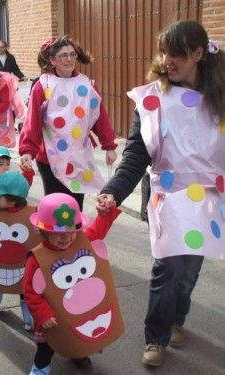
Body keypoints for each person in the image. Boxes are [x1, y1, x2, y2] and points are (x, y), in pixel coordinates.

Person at [97, 20, 225, 368]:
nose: (167, 60)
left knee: (188, 274)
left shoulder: (219, 98)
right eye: (164, 52)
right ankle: (156, 336)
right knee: (167, 270)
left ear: (199, 54)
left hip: (208, 202)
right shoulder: (153, 99)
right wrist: (114, 191)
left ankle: (176, 319)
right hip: (168, 199)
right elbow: (137, 153)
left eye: (177, 54)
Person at [24, 193, 121, 374]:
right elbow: (30, 291)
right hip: (53, 319)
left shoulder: (81, 241)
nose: (67, 238)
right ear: (43, 232)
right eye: (58, 234)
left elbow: (98, 231)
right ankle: (40, 369)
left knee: (78, 337)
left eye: (72, 232)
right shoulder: (37, 259)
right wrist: (43, 314)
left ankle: (78, 353)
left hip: (78, 311)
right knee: (47, 347)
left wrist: (105, 214)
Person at [19, 35, 118, 210]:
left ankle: (72, 237)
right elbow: (32, 121)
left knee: (74, 205)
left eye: (72, 54)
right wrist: (28, 150)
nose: (69, 59)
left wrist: (109, 145)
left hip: (78, 156)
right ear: (52, 59)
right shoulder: (43, 85)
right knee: (55, 205)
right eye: (63, 55)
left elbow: (99, 117)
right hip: (49, 157)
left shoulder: (87, 85)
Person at [0, 171, 38, 332]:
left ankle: (29, 315)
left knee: (25, 288)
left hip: (22, 261)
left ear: (12, 202)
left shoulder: (32, 215)